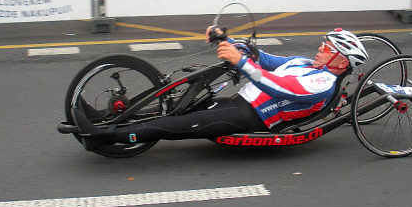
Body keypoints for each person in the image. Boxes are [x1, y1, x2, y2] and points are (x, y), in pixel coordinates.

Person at [72, 28, 368, 151]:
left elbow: (280, 87)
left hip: (248, 117)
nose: (320, 48)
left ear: (341, 61)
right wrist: (231, 42)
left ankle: (100, 137)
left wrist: (242, 62)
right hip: (237, 101)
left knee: (170, 125)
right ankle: (101, 116)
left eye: (327, 48)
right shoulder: (305, 63)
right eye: (323, 44)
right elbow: (265, 60)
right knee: (175, 106)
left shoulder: (323, 83)